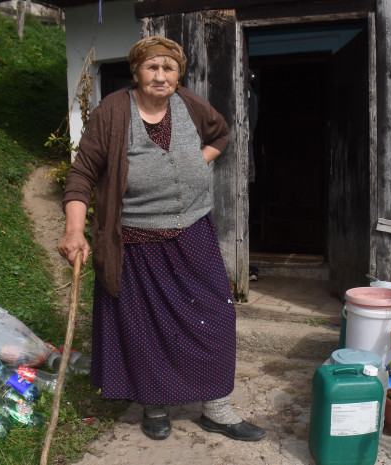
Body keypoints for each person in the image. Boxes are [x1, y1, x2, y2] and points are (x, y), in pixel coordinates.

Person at [57, 37, 266, 442]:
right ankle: (155, 405)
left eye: (168, 68)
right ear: (136, 71)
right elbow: (82, 175)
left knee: (216, 318)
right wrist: (74, 229)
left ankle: (217, 409)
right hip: (136, 240)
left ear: (178, 74)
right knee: (147, 326)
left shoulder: (189, 104)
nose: (160, 76)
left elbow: (220, 132)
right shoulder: (112, 113)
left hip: (194, 232)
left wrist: (195, 161)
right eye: (152, 67)